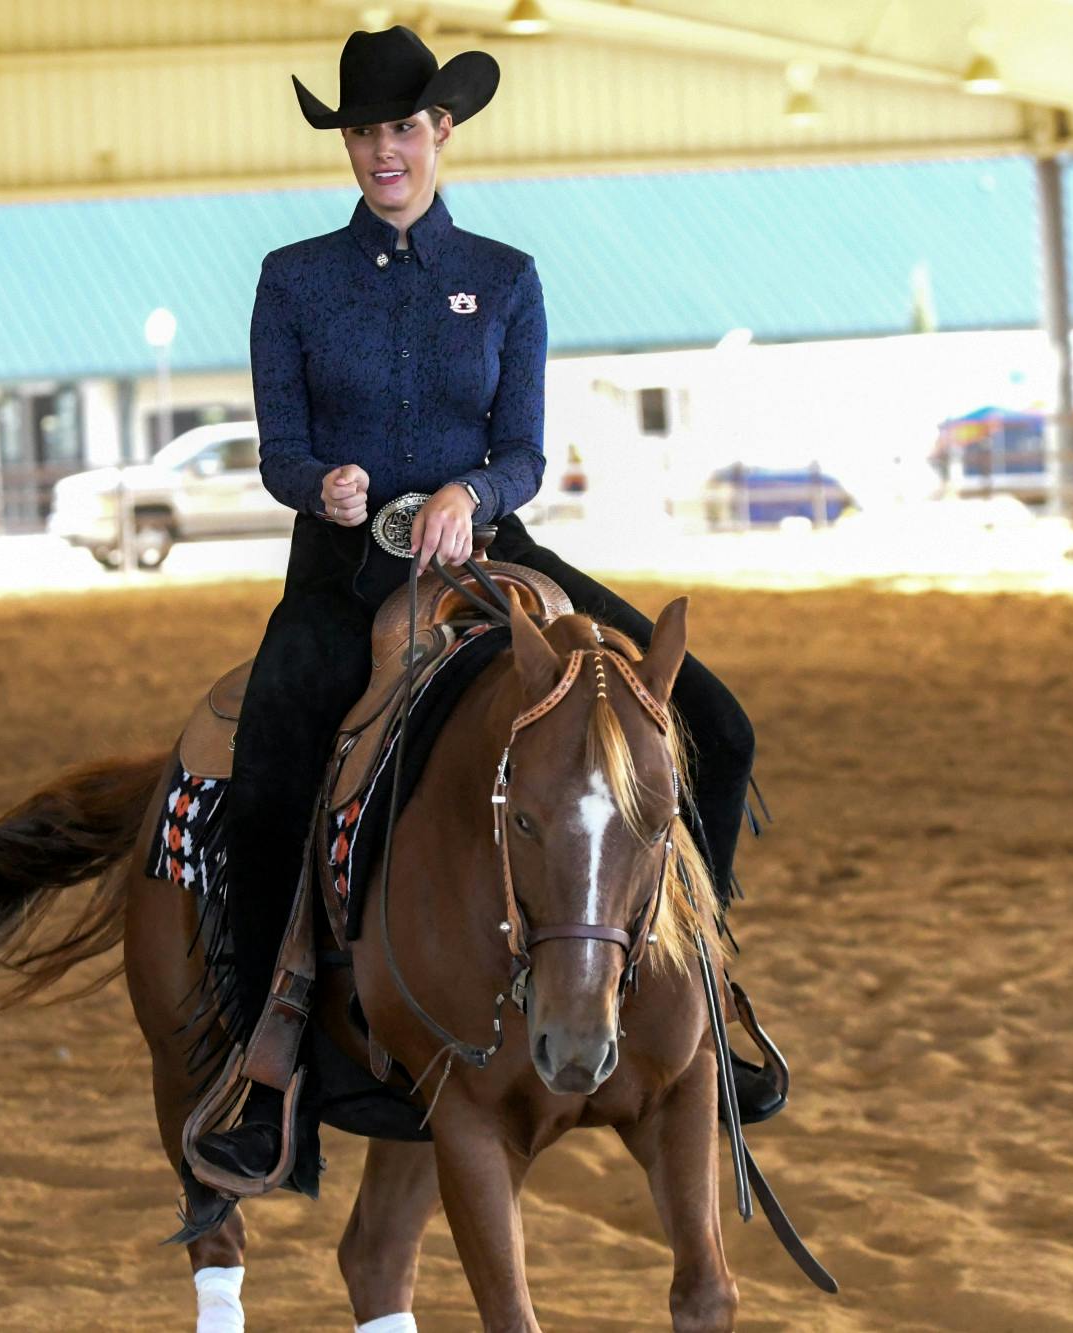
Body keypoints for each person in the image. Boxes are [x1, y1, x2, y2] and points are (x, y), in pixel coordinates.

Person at [199, 26, 765, 1180]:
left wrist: (469, 489)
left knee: (714, 721)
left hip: (491, 554)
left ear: (440, 131)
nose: (380, 152)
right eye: (361, 133)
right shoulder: (291, 280)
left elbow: (521, 451)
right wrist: (322, 485)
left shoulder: (504, 278)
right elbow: (278, 451)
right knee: (264, 774)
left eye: (399, 129)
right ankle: (263, 1059)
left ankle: (699, 980)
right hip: (343, 568)